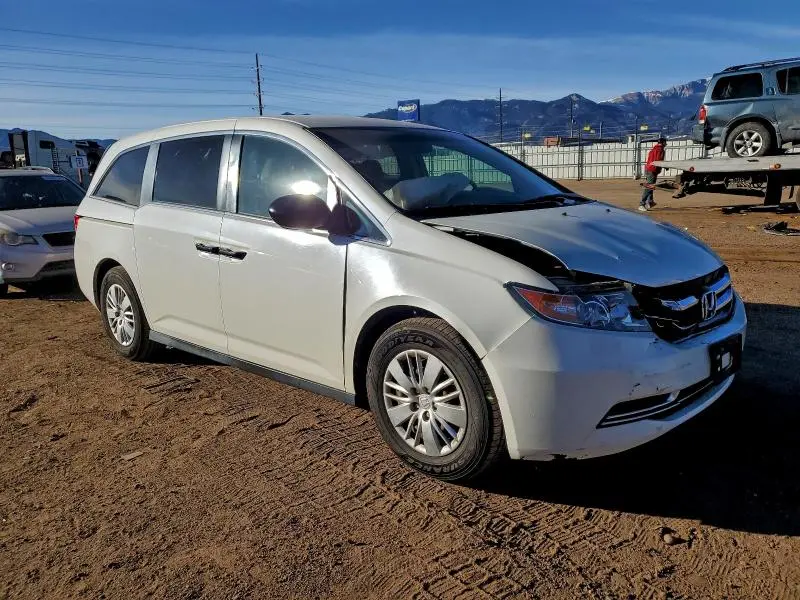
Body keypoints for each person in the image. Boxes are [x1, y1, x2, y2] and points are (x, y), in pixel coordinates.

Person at [640, 136, 667, 212]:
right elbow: (658, 161)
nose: (666, 144)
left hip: (649, 169)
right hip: (653, 170)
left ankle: (650, 202)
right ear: (663, 143)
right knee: (649, 187)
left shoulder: (654, 149)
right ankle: (642, 204)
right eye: (665, 142)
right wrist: (665, 166)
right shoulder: (660, 150)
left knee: (651, 186)